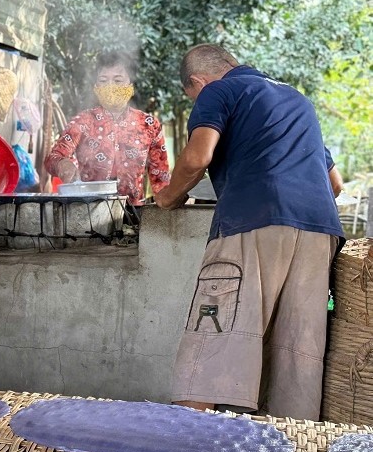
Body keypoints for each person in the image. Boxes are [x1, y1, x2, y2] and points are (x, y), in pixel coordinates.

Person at [155, 44, 344, 421]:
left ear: (197, 81)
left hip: (252, 219)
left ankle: (182, 448)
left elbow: (197, 157)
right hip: (319, 230)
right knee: (295, 353)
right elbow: (334, 184)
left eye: (192, 95)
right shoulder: (295, 100)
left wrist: (166, 198)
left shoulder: (217, 91)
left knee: (213, 336)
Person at [45, 51, 170, 215]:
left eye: (118, 80)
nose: (111, 86)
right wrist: (62, 165)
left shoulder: (149, 124)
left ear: (130, 84)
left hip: (134, 215)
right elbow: (53, 158)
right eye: (103, 80)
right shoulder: (83, 121)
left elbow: (161, 178)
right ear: (96, 86)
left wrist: (167, 209)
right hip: (88, 214)